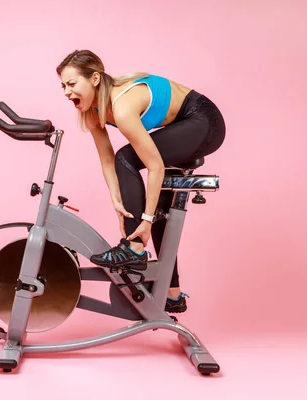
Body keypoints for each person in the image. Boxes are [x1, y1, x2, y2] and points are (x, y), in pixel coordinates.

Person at [56, 50, 226, 314]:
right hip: (178, 127)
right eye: (63, 86)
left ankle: (134, 249)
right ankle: (173, 294)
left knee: (129, 158)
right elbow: (106, 160)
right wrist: (117, 200)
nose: (66, 92)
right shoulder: (91, 113)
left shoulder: (122, 107)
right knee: (157, 210)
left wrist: (143, 221)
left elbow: (154, 165)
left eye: (71, 84)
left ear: (94, 79)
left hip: (203, 120)